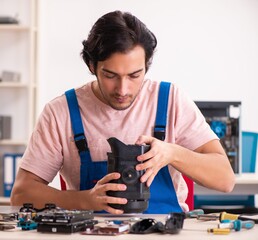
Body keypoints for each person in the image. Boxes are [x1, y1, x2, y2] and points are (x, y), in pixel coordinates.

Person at [11, 10, 235, 214]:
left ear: (147, 65)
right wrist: (84, 200)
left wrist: (172, 153)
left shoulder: (170, 100)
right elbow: (21, 194)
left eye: (135, 75)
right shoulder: (61, 112)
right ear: (91, 66)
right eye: (110, 76)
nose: (123, 90)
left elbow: (225, 179)